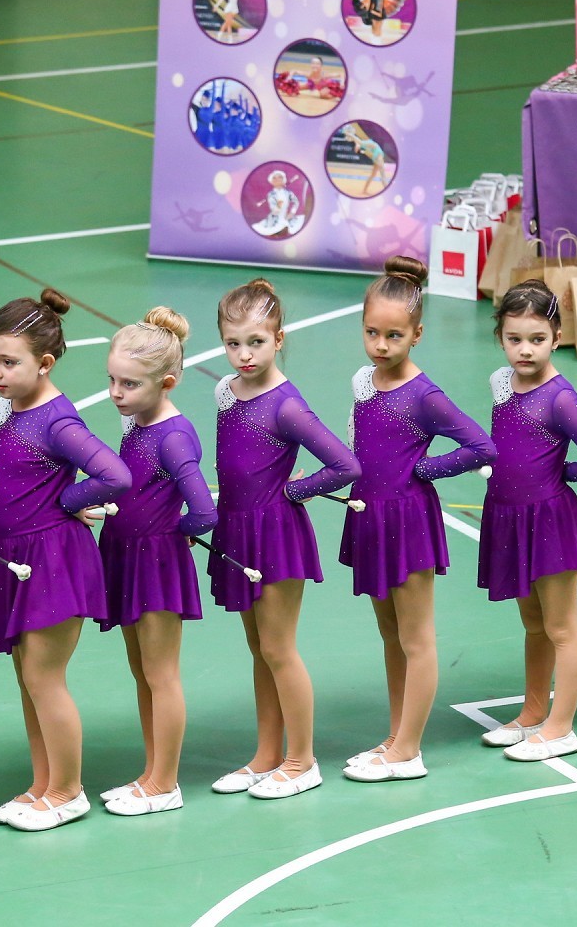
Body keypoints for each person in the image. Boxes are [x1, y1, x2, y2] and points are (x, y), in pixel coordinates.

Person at [0, 290, 131, 830]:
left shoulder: (58, 422)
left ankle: (67, 791)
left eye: (8, 362)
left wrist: (67, 500)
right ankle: (42, 784)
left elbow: (114, 475)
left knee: (44, 677)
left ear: (44, 363)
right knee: (27, 677)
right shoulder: (10, 408)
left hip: (52, 560)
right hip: (13, 554)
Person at [340, 258, 495, 782]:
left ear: (417, 334)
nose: (381, 345)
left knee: (415, 639)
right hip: (369, 516)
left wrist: (427, 468)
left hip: (408, 521)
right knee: (390, 635)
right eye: (372, 333)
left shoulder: (424, 395)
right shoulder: (364, 382)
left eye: (394, 336)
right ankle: (395, 735)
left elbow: (480, 446)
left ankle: (408, 750)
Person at [209, 278, 360, 800]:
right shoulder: (226, 393)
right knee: (259, 649)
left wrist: (296, 489)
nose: (244, 355)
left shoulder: (286, 405)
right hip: (237, 529)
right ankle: (266, 755)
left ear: (278, 339)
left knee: (278, 647)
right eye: (233, 344)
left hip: (275, 534)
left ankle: (302, 760)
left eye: (256, 342)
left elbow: (344, 465)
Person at [478, 283, 577, 762]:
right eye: (515, 339)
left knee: (561, 627)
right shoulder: (502, 384)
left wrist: (558, 473)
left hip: (549, 521)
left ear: (557, 338)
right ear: (500, 338)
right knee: (533, 623)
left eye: (537, 339)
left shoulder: (559, 398)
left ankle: (561, 728)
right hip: (509, 518)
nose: (525, 350)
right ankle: (533, 712)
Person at [96, 307, 217, 816]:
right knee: (142, 671)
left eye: (129, 384)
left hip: (155, 564)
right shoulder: (136, 423)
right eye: (112, 380)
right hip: (126, 556)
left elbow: (204, 512)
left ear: (167, 382)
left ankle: (165, 783)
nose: (116, 393)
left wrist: (172, 536)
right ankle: (150, 773)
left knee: (161, 674)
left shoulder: (173, 435)